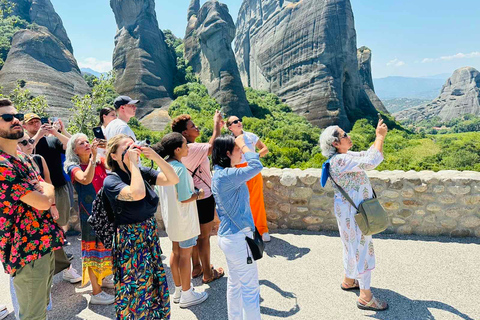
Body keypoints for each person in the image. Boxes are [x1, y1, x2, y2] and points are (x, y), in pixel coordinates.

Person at [0, 99, 64, 320]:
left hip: (43, 246)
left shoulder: (25, 159)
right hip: (25, 252)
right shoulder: (2, 165)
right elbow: (43, 200)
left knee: (41, 310)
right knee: (32, 317)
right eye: (7, 118)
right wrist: (46, 188)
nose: (15, 120)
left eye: (16, 115)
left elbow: (44, 190)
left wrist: (44, 189)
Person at [103, 134, 179, 319]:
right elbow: (136, 193)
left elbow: (172, 179)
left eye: (133, 146)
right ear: (114, 156)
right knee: (136, 290)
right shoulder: (111, 181)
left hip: (148, 236)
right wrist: (134, 165)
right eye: (126, 149)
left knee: (153, 287)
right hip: (130, 241)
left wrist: (155, 157)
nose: (132, 151)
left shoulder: (141, 172)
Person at [319, 119, 389, 311]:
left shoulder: (345, 156)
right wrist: (380, 137)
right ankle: (365, 297)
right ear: (335, 143)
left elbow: (368, 154)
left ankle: (349, 280)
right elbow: (372, 161)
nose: (348, 136)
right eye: (344, 135)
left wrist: (377, 138)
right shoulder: (340, 160)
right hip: (355, 213)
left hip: (349, 212)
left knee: (350, 245)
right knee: (362, 248)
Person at [22, 113, 82, 283]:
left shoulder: (51, 140)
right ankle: (61, 263)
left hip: (59, 187)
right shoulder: (24, 142)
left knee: (61, 222)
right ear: (25, 126)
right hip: (36, 193)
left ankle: (59, 252)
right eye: (31, 123)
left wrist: (58, 131)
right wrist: (38, 135)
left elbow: (69, 146)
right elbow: (25, 152)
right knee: (47, 228)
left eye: (38, 121)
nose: (36, 124)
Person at [153, 133, 209, 308]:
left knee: (175, 252)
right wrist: (198, 194)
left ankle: (178, 291)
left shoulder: (165, 166)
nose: (188, 147)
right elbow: (185, 198)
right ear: (177, 149)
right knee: (185, 256)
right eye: (186, 145)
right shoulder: (180, 169)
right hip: (184, 219)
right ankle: (187, 294)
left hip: (172, 218)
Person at [211, 134, 263, 320]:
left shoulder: (219, 173)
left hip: (228, 237)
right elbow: (257, 166)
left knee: (235, 284)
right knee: (250, 288)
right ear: (227, 153)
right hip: (238, 238)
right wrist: (245, 145)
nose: (240, 151)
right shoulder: (227, 176)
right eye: (237, 149)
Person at [171, 111, 225, 283]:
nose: (196, 127)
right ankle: (208, 273)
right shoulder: (192, 148)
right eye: (192, 126)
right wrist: (216, 124)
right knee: (204, 237)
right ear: (185, 133)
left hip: (191, 195)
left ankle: (196, 267)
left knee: (194, 234)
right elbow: (213, 146)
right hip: (203, 196)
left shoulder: (181, 150)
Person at [65, 134, 115, 305]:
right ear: (74, 150)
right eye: (81, 143)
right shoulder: (72, 166)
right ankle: (96, 292)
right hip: (90, 214)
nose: (87, 144)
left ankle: (105, 278)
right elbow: (85, 179)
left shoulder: (99, 159)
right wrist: (94, 158)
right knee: (93, 252)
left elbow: (114, 165)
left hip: (106, 210)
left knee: (107, 247)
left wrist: (107, 147)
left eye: (87, 141)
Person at [226, 116, 271, 242]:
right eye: (235, 121)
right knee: (240, 201)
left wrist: (254, 157)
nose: (239, 122)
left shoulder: (250, 136)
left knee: (257, 200)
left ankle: (262, 230)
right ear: (230, 127)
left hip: (252, 169)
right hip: (237, 170)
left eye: (239, 120)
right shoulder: (228, 140)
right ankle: (245, 231)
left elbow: (265, 149)